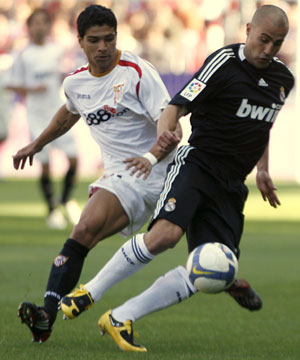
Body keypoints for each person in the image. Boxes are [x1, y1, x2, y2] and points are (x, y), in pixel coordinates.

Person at [61, 4, 294, 352]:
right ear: (247, 30)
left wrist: (262, 168)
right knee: (165, 236)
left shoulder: (282, 79)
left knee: (211, 270)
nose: (268, 50)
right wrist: (160, 146)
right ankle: (87, 293)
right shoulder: (224, 63)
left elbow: (263, 126)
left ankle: (121, 317)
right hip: (198, 165)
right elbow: (175, 106)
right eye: (263, 40)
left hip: (232, 185)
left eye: (277, 43)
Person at [13, 4, 182, 344]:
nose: (103, 47)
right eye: (94, 41)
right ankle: (47, 316)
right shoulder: (76, 83)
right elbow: (69, 112)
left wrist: (155, 152)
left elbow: (168, 119)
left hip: (164, 171)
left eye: (109, 39)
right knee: (84, 229)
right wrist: (37, 144)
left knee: (197, 248)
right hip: (122, 178)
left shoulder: (136, 71)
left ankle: (228, 277)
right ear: (80, 41)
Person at [6, 8, 81, 229]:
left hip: (59, 112)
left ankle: (66, 200)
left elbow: (66, 74)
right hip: (36, 115)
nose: (39, 27)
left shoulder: (57, 51)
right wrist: (32, 88)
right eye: (35, 23)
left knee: (74, 159)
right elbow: (10, 84)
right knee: (45, 164)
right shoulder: (23, 55)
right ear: (28, 27)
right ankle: (51, 209)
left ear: (49, 26)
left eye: (43, 23)